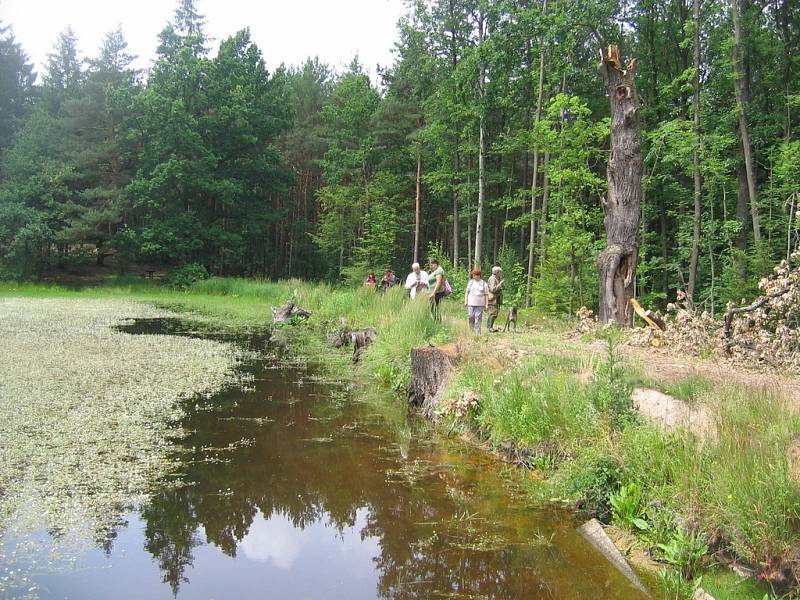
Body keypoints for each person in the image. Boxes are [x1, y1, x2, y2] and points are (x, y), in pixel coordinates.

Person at [464, 268, 489, 333]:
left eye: (474, 275)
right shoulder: (471, 282)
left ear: (478, 275)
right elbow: (467, 292)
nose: (473, 276)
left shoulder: (484, 283)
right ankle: (471, 331)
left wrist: (486, 304)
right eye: (473, 275)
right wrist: (466, 301)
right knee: (470, 316)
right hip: (471, 303)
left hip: (480, 304)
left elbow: (486, 295)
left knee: (478, 318)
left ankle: (477, 332)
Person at [486, 266, 505, 332]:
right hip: (493, 298)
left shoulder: (497, 278)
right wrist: (500, 284)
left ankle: (490, 327)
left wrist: (501, 284)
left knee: (495, 313)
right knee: (493, 313)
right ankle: (489, 328)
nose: (501, 273)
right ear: (497, 272)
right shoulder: (492, 279)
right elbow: (492, 289)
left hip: (496, 298)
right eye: (500, 272)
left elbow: (503, 288)